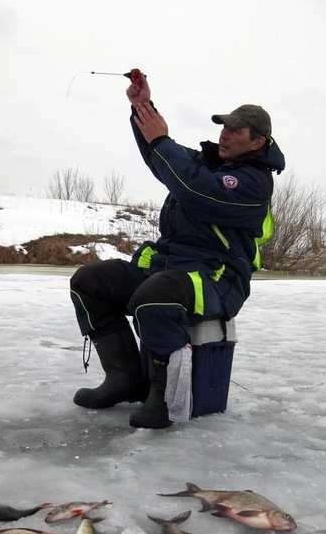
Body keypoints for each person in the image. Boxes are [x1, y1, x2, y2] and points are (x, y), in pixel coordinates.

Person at [70, 71, 285, 429]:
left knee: (157, 295)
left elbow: (197, 189)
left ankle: (164, 397)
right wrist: (142, 107)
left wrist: (162, 142)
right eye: (223, 126)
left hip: (215, 278)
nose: (224, 133)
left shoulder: (252, 184)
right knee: (90, 281)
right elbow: (163, 159)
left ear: (258, 142)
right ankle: (124, 379)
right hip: (172, 266)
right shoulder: (207, 165)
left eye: (235, 130)